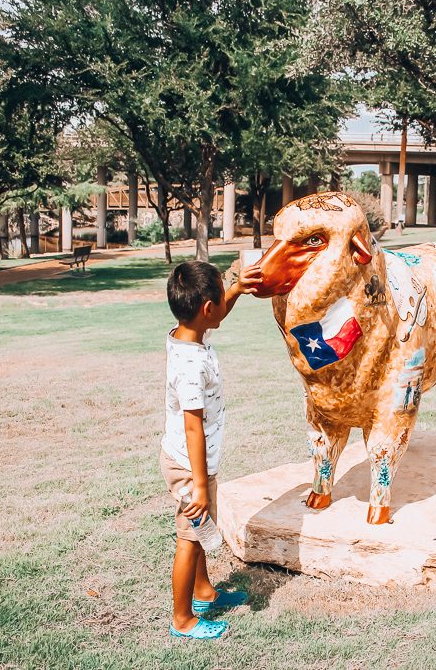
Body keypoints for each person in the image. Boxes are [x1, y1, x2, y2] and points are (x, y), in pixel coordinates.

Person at [160, 259, 261, 640]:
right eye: (221, 297)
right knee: (189, 537)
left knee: (200, 531)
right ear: (206, 308)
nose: (224, 304)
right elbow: (192, 426)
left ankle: (204, 592)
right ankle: (183, 619)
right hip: (190, 465)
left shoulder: (188, 335)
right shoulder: (190, 364)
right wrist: (200, 485)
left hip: (193, 463)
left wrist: (234, 289)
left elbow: (214, 315)